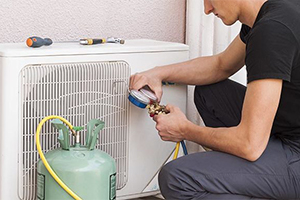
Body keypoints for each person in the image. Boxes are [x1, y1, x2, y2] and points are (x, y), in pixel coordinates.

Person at [130, 0, 300, 199]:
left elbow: (249, 145)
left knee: (176, 177)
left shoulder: (272, 31)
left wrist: (184, 129)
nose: (207, 9)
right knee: (210, 93)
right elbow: (221, 65)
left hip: (294, 153)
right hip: (285, 132)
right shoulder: (273, 12)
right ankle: (259, 178)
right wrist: (158, 73)